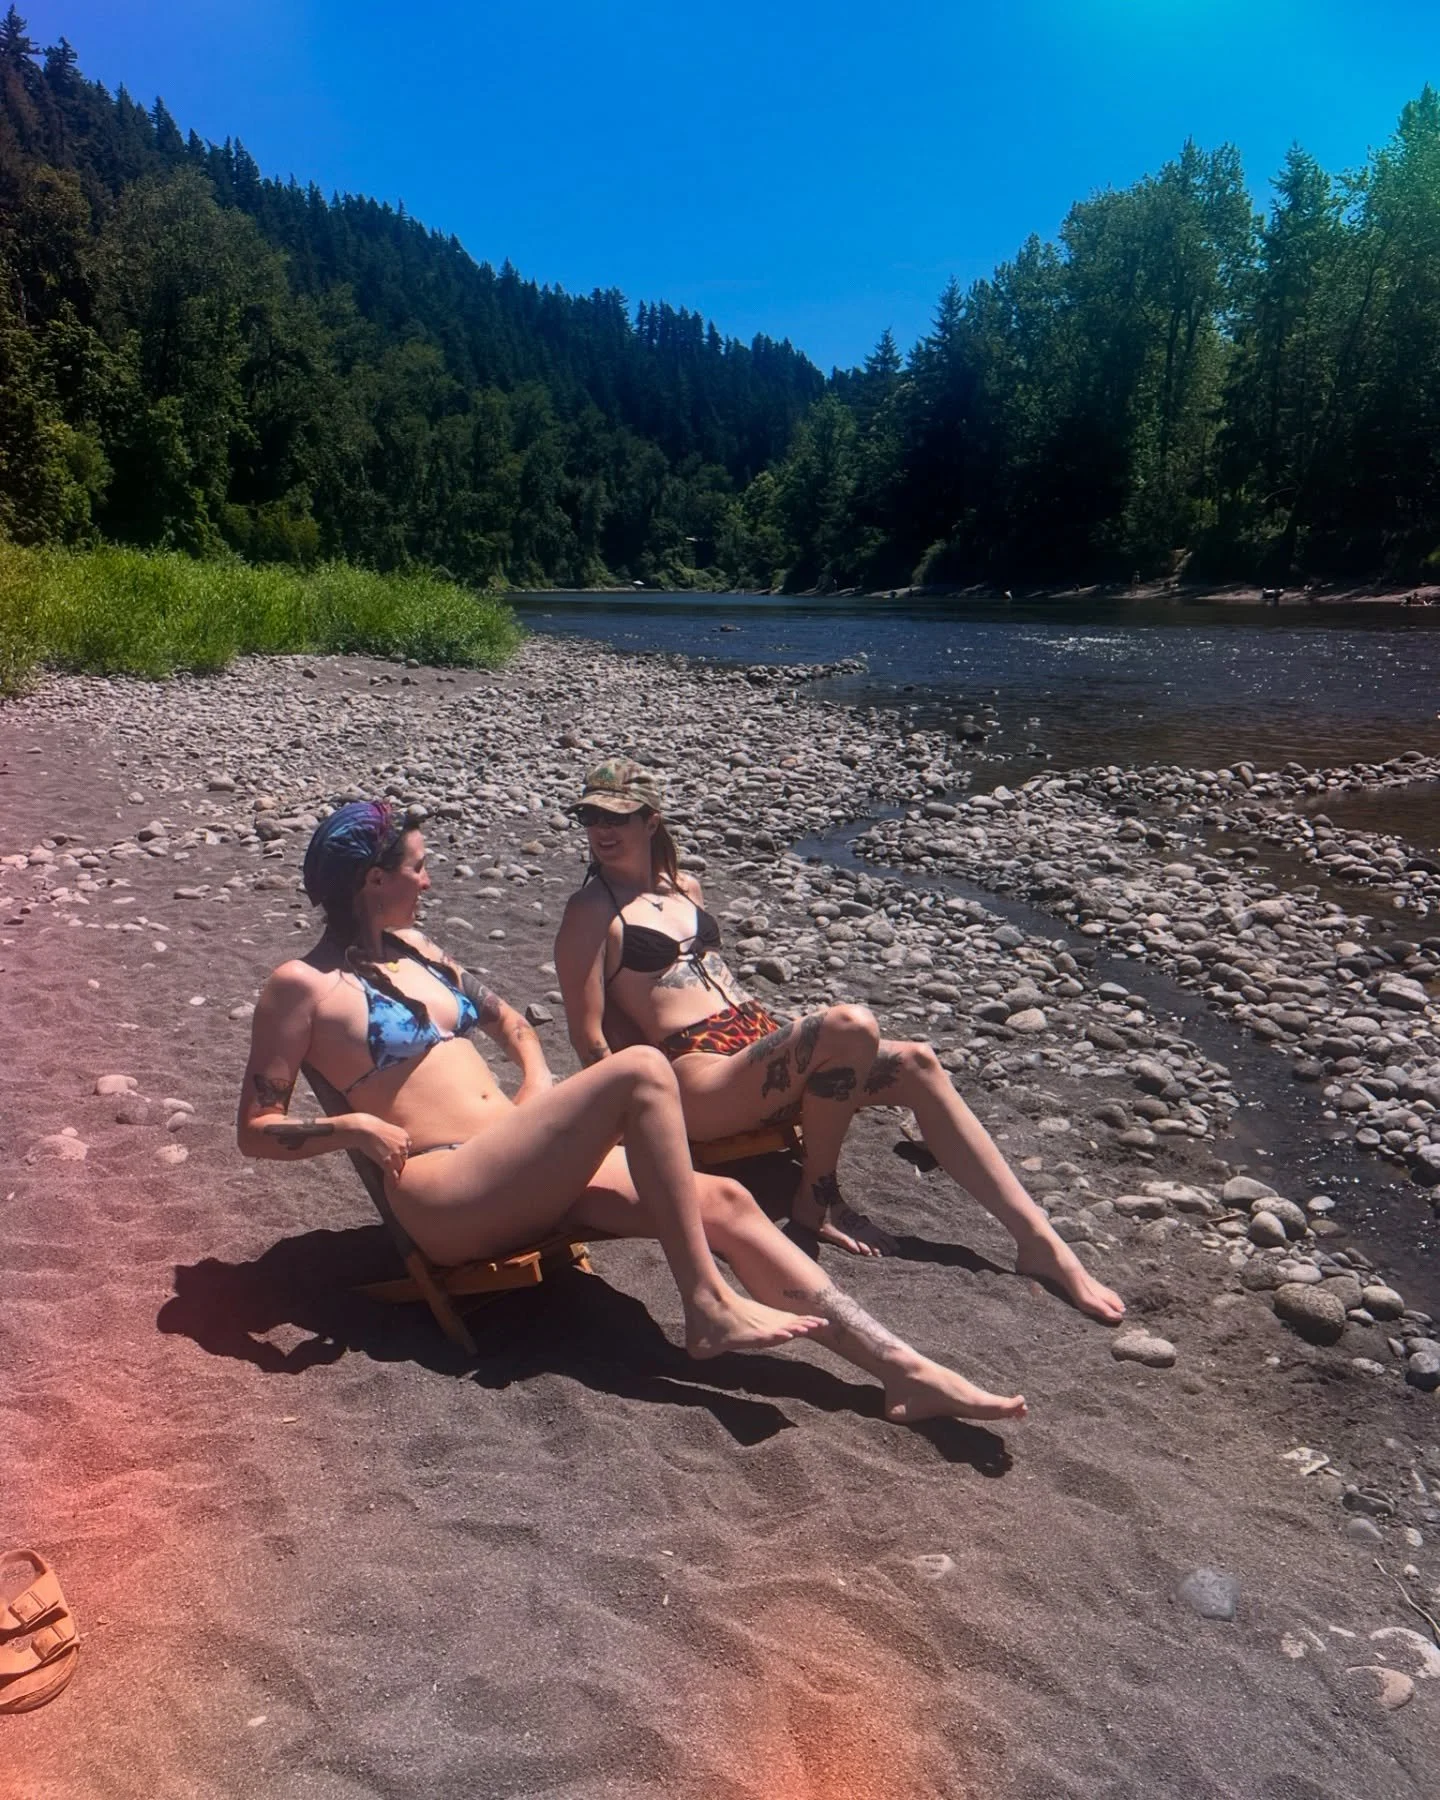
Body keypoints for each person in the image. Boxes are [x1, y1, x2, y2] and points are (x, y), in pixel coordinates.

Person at [235, 801, 1029, 1423]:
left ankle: (904, 1372)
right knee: (642, 1071)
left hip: (519, 1158)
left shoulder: (423, 954)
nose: (429, 882)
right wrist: (349, 1127)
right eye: (417, 869)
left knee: (728, 1199)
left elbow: (513, 1024)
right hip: (446, 1192)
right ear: (373, 880)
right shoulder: (299, 988)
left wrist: (538, 1078)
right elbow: (257, 1132)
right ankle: (707, 1305)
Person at [555, 759, 1124, 1325]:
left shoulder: (685, 887)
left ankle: (1039, 1242)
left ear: (652, 822)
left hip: (753, 1049)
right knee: (847, 1025)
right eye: (591, 817)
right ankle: (818, 1196)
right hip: (698, 1078)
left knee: (919, 1063)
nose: (602, 830)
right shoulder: (590, 910)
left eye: (618, 818)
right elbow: (589, 1037)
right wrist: (632, 1131)